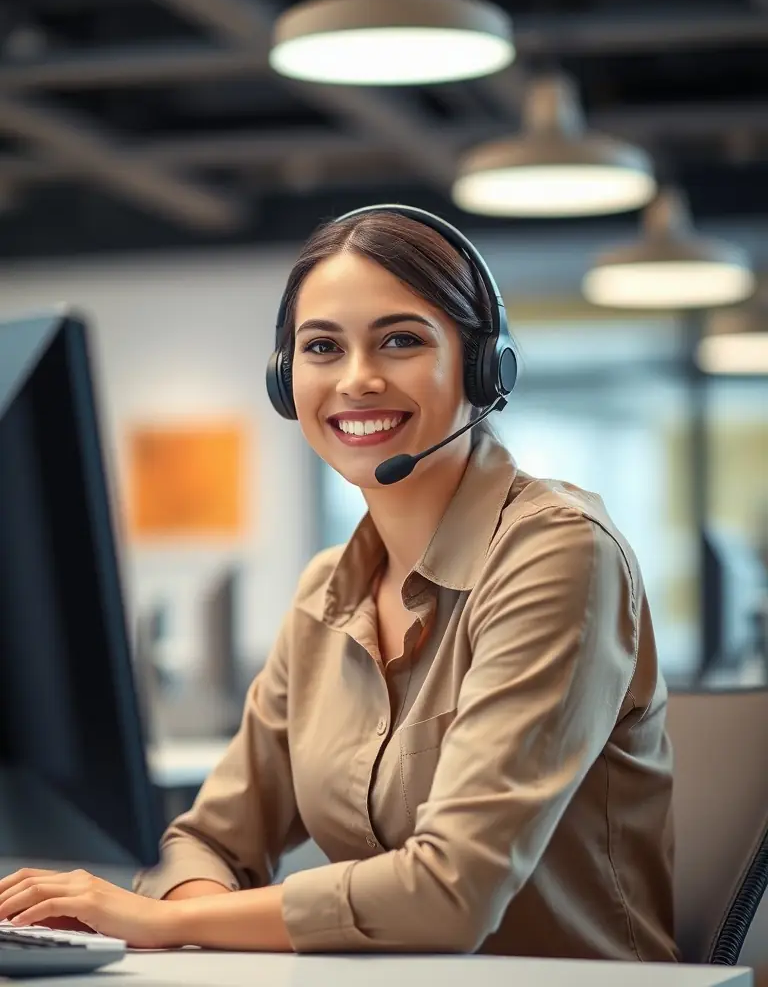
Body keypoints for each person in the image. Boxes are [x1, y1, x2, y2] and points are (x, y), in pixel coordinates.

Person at [0, 205, 678, 960]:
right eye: (322, 346)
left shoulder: (558, 554)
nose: (357, 379)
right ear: (288, 381)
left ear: (486, 368)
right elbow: (208, 838)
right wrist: (193, 904)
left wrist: (164, 922)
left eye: (401, 340)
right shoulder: (329, 590)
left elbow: (450, 896)